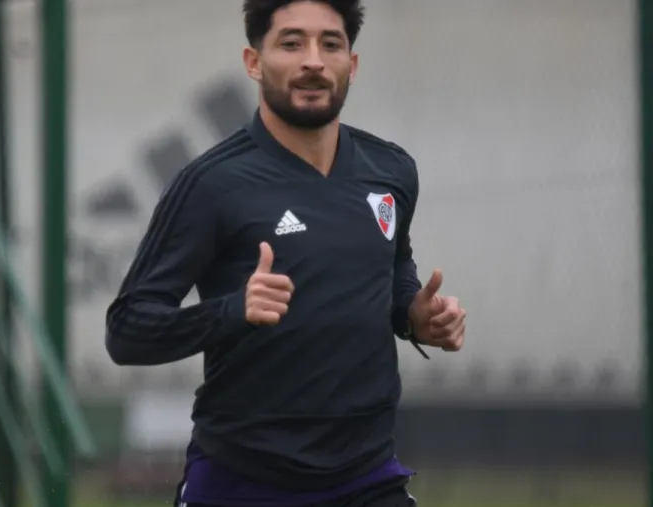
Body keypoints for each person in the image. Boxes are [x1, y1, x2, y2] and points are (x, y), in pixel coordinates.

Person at [105, 1, 467, 505]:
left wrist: (412, 314)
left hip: (367, 476)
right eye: (292, 43)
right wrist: (235, 310)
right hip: (242, 480)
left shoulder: (391, 171)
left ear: (352, 66)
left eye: (331, 44)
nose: (313, 60)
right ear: (254, 62)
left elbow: (393, 264)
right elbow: (127, 330)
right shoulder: (210, 184)